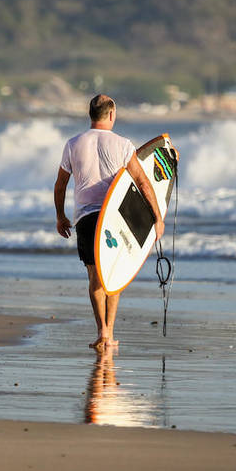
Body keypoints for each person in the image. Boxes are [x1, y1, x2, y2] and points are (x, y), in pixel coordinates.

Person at [54, 94, 164, 351]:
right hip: (114, 218)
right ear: (112, 115)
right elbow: (144, 183)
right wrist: (157, 218)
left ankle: (101, 331)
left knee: (94, 276)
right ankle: (110, 333)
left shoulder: (73, 144)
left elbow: (60, 186)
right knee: (114, 275)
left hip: (86, 219)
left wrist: (60, 216)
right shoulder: (123, 145)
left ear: (90, 114)